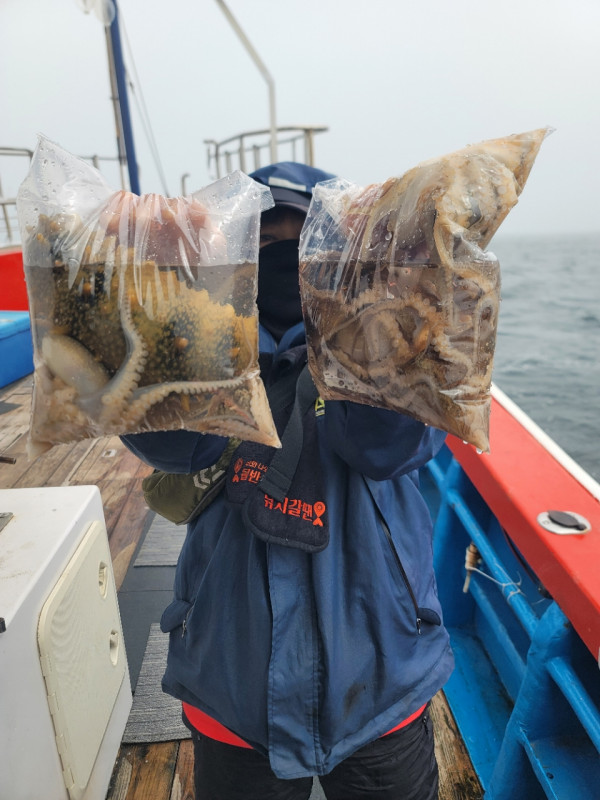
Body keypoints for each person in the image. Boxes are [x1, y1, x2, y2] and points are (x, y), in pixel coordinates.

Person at [122, 162, 453, 800]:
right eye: (263, 241)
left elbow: (390, 447)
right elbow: (175, 447)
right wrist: (158, 320)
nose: (282, 257)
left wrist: (374, 325)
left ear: (339, 256)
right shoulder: (206, 344)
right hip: (231, 679)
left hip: (379, 678)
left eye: (301, 242)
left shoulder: (381, 330)